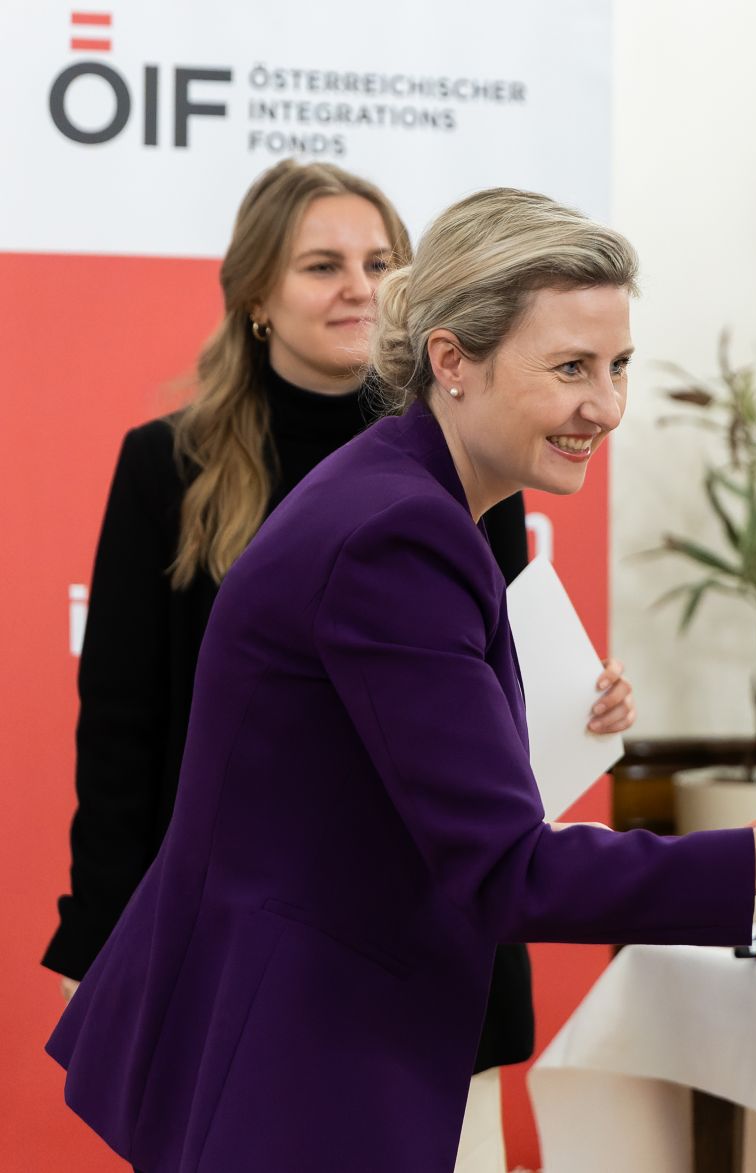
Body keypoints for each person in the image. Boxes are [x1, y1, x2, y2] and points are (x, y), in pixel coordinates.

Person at [46, 186, 756, 1172]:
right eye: (569, 368)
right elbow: (503, 872)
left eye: (617, 367)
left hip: (298, 1028)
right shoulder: (401, 532)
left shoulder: (406, 493)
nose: (603, 406)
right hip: (302, 1056)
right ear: (451, 361)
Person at [39, 160, 633, 1167]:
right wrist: (99, 931)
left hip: (446, 913)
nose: (359, 286)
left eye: (378, 261)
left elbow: (480, 687)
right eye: (323, 264)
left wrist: (575, 698)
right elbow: (125, 726)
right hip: (271, 948)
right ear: (257, 294)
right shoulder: (168, 463)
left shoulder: (466, 452)